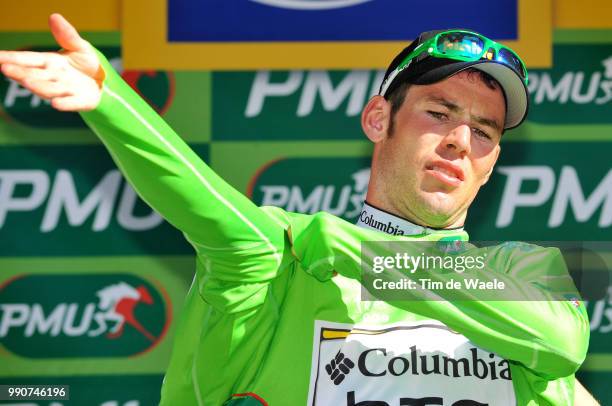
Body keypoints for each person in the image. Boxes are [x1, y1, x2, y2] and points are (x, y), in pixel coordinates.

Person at [0, 14, 597, 406]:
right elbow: (209, 208)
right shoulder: (282, 259)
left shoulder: (522, 270)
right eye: (438, 114)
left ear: (494, 159)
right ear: (377, 119)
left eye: (484, 131)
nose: (460, 142)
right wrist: (111, 101)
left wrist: (346, 248)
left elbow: (561, 341)